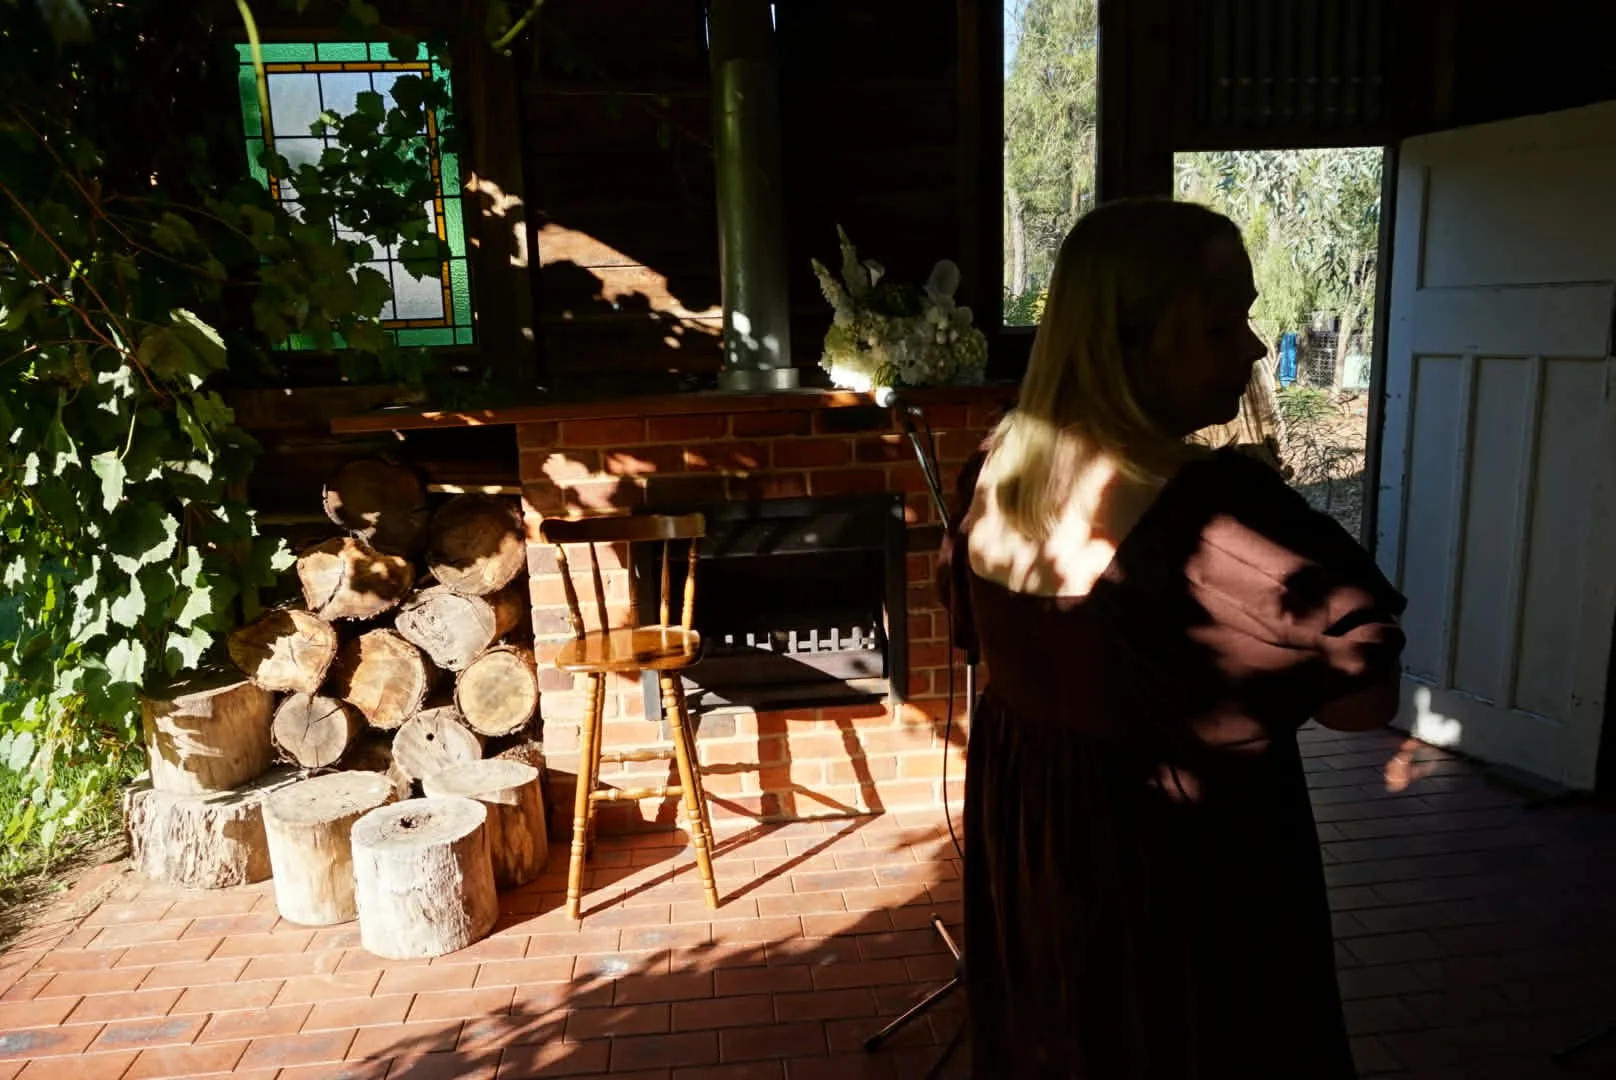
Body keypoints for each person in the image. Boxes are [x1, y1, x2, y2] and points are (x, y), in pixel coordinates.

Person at [937, 198, 1406, 1078]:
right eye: (1227, 322)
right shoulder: (1213, 510)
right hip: (1182, 881)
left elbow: (989, 643)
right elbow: (1363, 702)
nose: (1257, 348)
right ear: (1139, 336)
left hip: (1039, 855)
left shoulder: (995, 467)